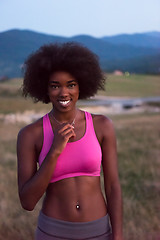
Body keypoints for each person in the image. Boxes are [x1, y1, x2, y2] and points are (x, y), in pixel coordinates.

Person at [17, 42, 123, 240]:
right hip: (52, 232)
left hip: (98, 231)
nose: (64, 93)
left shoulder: (102, 125)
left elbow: (113, 186)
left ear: (81, 86)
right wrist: (55, 150)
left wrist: (117, 236)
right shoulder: (30, 135)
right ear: (45, 89)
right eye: (55, 86)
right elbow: (27, 202)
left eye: (71, 85)